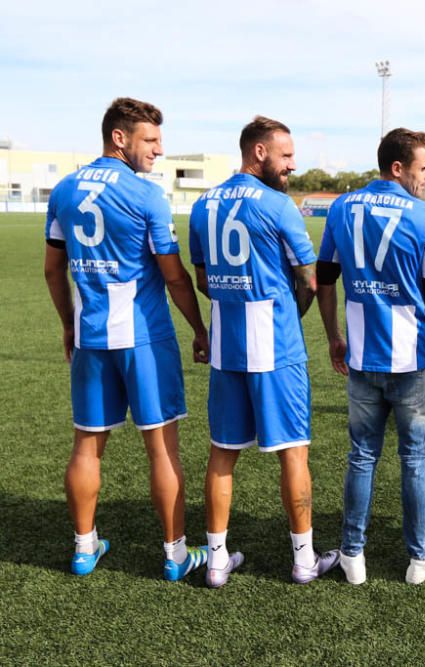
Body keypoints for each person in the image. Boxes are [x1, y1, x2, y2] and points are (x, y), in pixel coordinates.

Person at [43, 97, 210, 580]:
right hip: (144, 338)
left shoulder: (64, 190)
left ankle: (83, 547)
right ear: (120, 138)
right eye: (151, 140)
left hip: (91, 337)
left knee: (87, 445)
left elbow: (54, 270)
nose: (159, 150)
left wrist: (68, 324)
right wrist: (199, 330)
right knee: (161, 448)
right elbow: (175, 277)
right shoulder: (146, 195)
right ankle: (176, 554)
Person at [189, 116, 337, 587]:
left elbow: (201, 280)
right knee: (294, 452)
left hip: (226, 343)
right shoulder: (278, 205)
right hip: (275, 344)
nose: (293, 164)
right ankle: (304, 560)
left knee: (221, 454)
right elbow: (310, 279)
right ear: (259, 152)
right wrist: (294, 311)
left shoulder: (203, 204)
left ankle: (215, 560)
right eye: (287, 155)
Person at [316, 127, 425, 585]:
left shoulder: (341, 207)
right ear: (399, 167)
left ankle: (353, 554)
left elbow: (325, 277)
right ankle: (419, 558)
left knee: (361, 457)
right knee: (415, 460)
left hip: (360, 356)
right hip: (414, 359)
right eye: (424, 167)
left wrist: (334, 334)